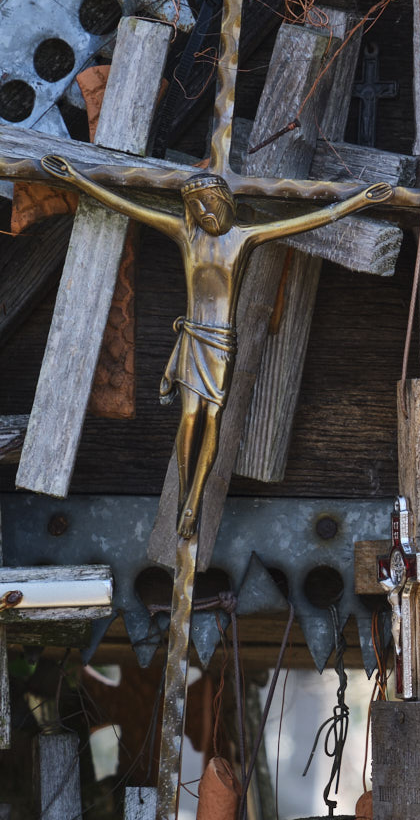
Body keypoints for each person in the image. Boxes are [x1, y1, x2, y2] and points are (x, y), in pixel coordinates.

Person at [41, 156, 393, 537]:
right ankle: (184, 494)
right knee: (188, 417)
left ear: (226, 201)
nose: (205, 212)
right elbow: (128, 206)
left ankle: (195, 498)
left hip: (220, 343)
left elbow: (308, 221)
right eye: (196, 207)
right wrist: (77, 178)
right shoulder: (187, 235)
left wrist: (358, 201)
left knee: (211, 419)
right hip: (193, 337)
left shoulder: (243, 238)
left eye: (210, 203)